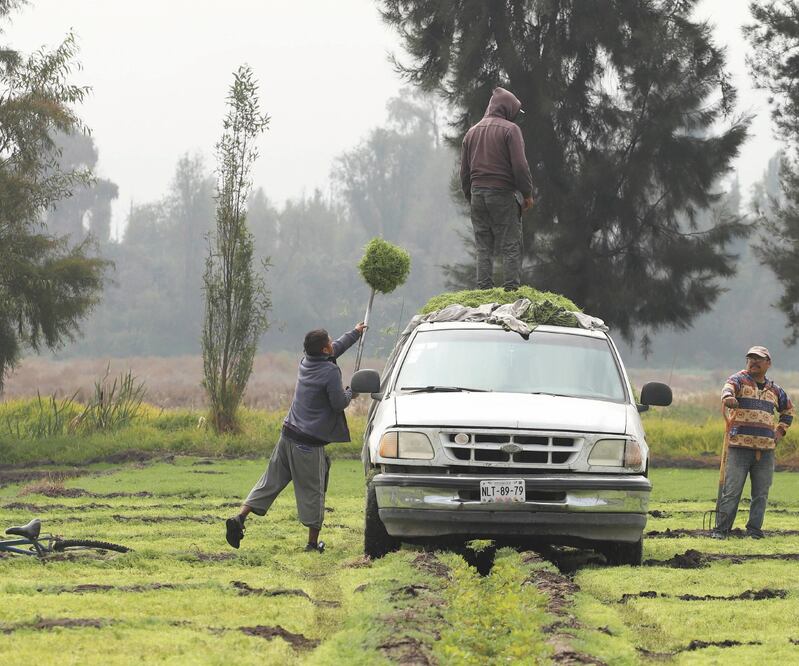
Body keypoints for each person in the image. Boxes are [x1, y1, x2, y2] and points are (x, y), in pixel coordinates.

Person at [225, 323, 366, 552]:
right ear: (324, 350)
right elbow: (339, 402)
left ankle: (240, 518)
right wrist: (352, 392)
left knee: (269, 482)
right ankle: (312, 544)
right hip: (308, 444)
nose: (332, 344)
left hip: (288, 434)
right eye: (329, 342)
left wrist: (355, 333)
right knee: (313, 492)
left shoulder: (306, 362)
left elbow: (335, 349)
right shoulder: (330, 371)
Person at [713, 345, 794, 539]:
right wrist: (729, 398)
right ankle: (721, 530)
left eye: (758, 358)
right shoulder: (738, 379)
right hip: (739, 447)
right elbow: (727, 388)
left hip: (766, 451)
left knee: (761, 494)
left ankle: (755, 530)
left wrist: (780, 431)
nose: (753, 362)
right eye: (750, 358)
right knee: (731, 491)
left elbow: (788, 411)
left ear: (768, 363)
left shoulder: (775, 390)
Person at [460, 86, 534, 291]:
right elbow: (520, 166)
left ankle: (484, 291)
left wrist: (472, 196)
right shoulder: (511, 130)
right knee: (511, 244)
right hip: (502, 193)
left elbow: (464, 173)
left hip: (477, 195)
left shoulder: (471, 132)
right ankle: (511, 291)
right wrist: (527, 193)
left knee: (483, 245)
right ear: (507, 109)